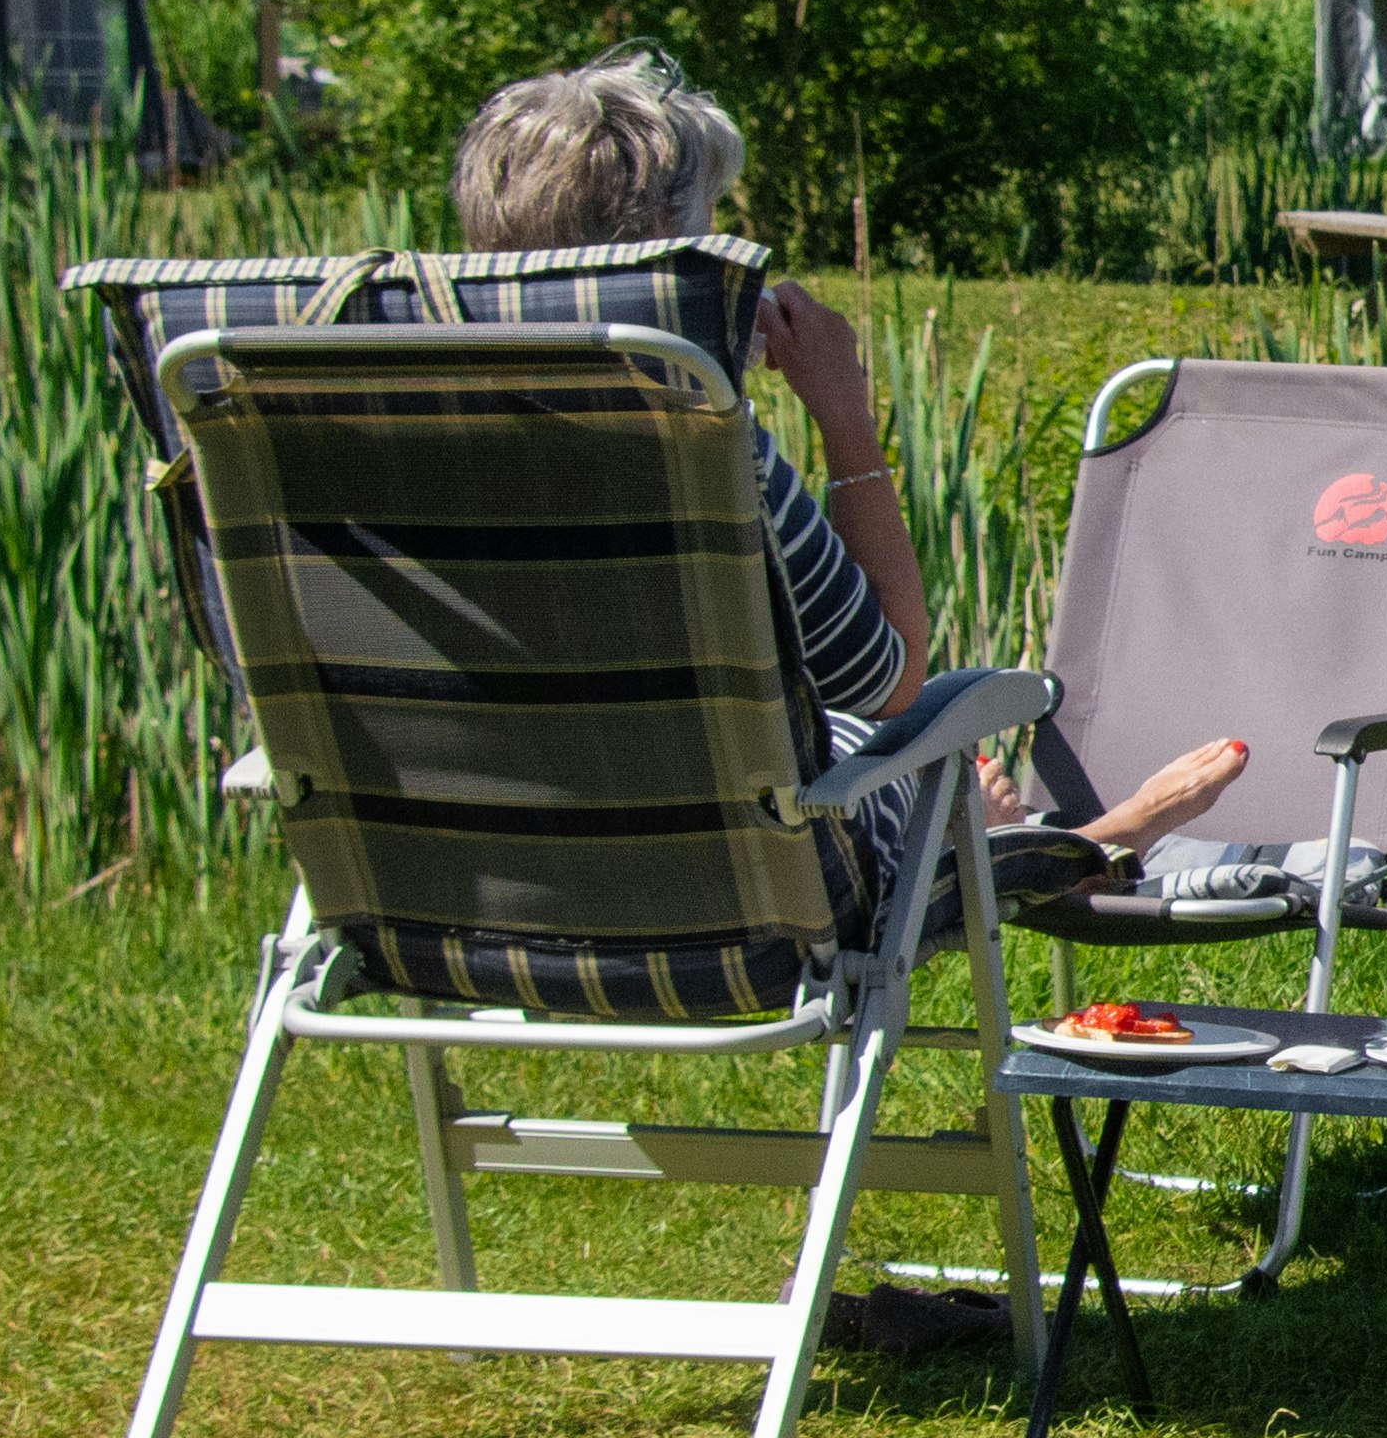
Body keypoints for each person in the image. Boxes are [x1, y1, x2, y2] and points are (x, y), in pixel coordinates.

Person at [445, 52, 1244, 860]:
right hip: (713, 864)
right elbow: (884, 681)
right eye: (712, 220)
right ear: (664, 245)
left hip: (466, 850)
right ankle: (1076, 844)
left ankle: (1021, 834)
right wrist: (845, 416)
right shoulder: (690, 435)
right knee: (929, 743)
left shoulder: (381, 415)